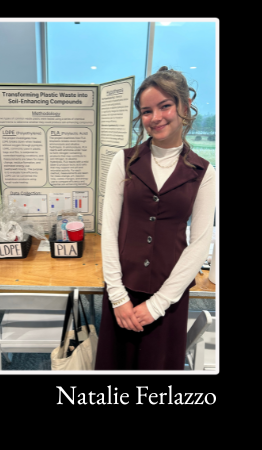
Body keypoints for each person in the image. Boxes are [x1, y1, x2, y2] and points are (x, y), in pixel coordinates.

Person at [95, 67, 215, 370]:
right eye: (147, 111)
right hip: (123, 289)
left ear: (185, 106)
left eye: (165, 106)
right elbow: (109, 230)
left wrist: (159, 304)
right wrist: (117, 296)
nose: (155, 117)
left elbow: (199, 244)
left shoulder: (204, 172)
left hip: (169, 294)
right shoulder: (124, 161)